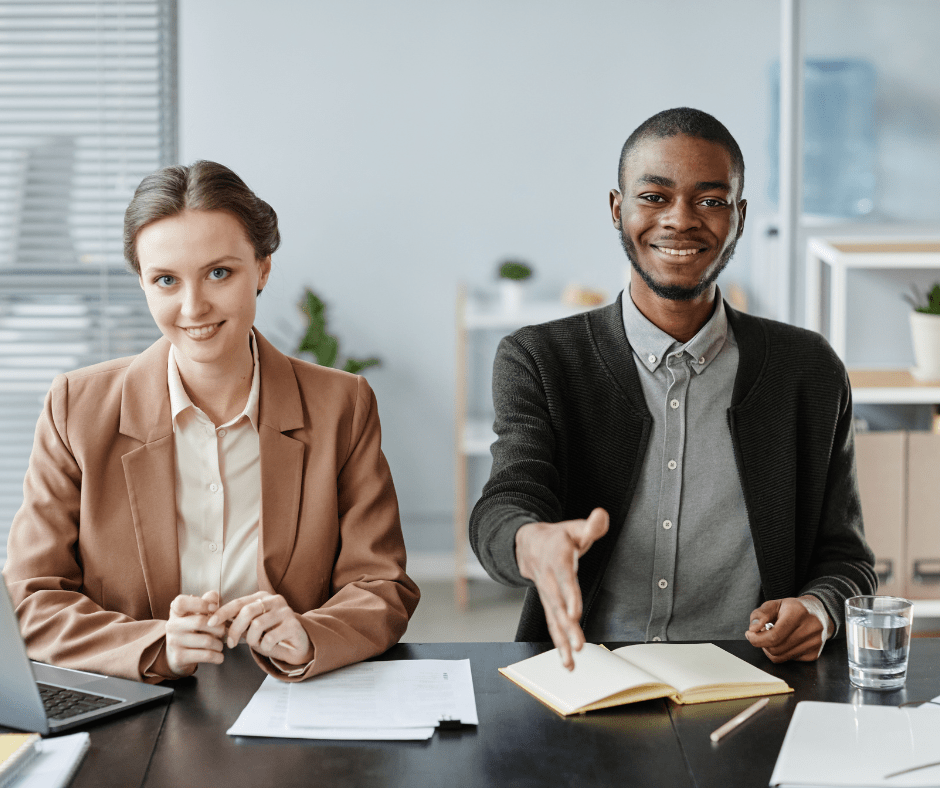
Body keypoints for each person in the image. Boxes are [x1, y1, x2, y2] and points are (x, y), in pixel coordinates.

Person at [470, 108, 876, 670]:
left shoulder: (808, 370)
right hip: (588, 676)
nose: (680, 220)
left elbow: (846, 559)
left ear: (739, 216)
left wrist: (819, 608)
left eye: (710, 201)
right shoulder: (539, 359)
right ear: (618, 209)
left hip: (753, 682)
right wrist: (531, 542)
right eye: (654, 197)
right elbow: (505, 503)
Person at [4, 160, 419, 682]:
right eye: (165, 280)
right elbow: (30, 597)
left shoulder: (343, 403)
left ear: (263, 268)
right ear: (142, 284)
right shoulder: (76, 408)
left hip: (290, 696)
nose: (193, 306)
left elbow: (381, 584)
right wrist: (156, 643)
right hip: (141, 697)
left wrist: (310, 634)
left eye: (219, 272)